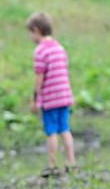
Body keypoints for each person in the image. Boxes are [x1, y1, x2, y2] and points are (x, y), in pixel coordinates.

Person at [26, 12, 76, 178]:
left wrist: (35, 99)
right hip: (64, 96)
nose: (30, 37)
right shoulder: (60, 48)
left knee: (51, 131)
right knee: (65, 129)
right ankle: (71, 162)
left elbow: (39, 78)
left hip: (50, 98)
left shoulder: (40, 51)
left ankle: (52, 165)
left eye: (30, 33)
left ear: (36, 30)